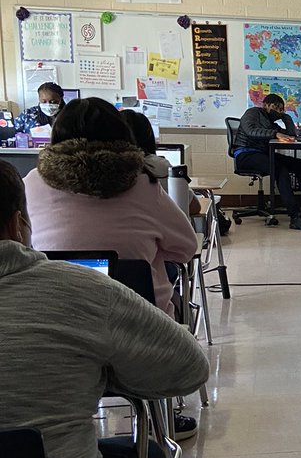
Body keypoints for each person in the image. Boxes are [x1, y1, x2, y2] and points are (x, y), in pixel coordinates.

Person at [0, 158, 209, 458]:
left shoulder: (38, 177)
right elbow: (188, 368)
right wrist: (99, 370)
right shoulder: (79, 287)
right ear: (19, 223)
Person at [23, 98, 198, 318]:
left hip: (56, 316)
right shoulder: (143, 185)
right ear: (123, 137)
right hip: (141, 322)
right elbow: (186, 249)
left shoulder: (31, 183)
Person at [233, 95, 301, 231]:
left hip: (264, 154)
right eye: (276, 108)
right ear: (266, 105)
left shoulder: (272, 123)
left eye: (282, 109)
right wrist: (275, 134)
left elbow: (291, 134)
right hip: (245, 154)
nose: (280, 111)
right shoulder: (253, 112)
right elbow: (250, 131)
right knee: (280, 169)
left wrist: (286, 118)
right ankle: (295, 217)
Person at [118, 109, 201, 219]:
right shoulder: (159, 167)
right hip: (160, 233)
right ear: (148, 137)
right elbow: (194, 207)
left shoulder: (102, 173)